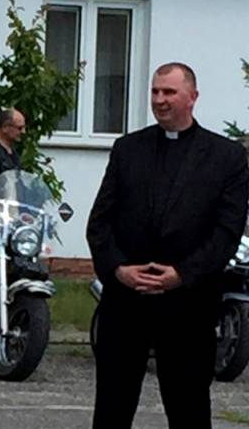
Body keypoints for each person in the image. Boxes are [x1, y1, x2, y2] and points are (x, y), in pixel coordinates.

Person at [87, 62, 249, 429]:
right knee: (112, 407)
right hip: (126, 302)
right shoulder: (128, 149)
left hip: (188, 305)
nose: (160, 100)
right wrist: (119, 269)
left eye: (169, 92)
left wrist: (182, 274)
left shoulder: (226, 158)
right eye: (155, 92)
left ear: (192, 97)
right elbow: (99, 223)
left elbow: (226, 232)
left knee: (188, 407)